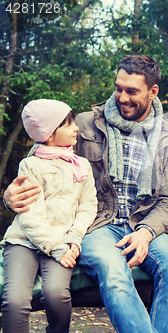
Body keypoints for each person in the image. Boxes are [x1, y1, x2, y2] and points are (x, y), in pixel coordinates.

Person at [3, 55, 168, 333]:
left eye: (132, 91)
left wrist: (147, 231)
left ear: (153, 92)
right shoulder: (87, 123)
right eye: (118, 88)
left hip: (144, 224)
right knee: (113, 271)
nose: (122, 97)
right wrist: (9, 196)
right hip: (96, 224)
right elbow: (40, 160)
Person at [1, 99, 97, 333]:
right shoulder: (31, 165)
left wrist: (74, 237)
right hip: (24, 242)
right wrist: (54, 247)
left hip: (64, 242)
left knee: (56, 294)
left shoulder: (81, 165)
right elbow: (30, 215)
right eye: (69, 124)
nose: (76, 128)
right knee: (14, 301)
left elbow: (88, 205)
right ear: (50, 134)